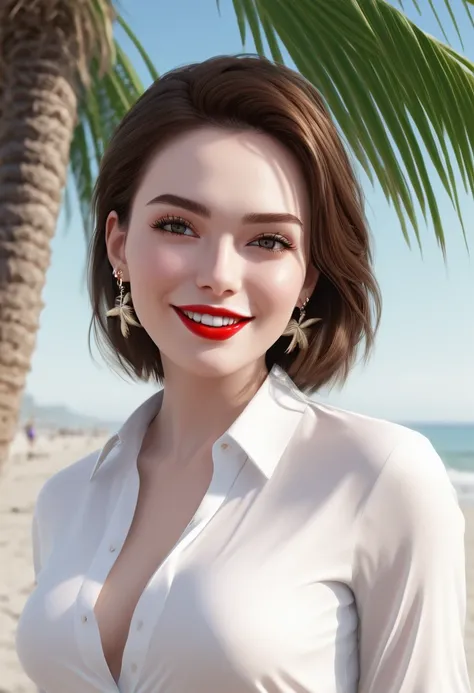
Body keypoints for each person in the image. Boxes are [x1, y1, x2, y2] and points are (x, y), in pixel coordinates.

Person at [15, 55, 470, 693]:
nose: (219, 274)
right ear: (119, 244)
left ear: (308, 275)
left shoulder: (382, 478)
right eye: (177, 225)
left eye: (269, 241)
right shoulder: (63, 501)